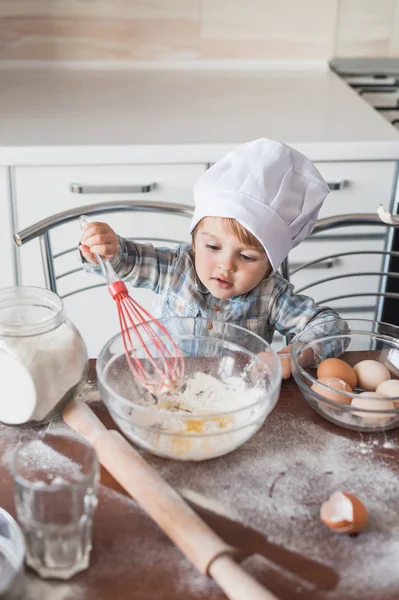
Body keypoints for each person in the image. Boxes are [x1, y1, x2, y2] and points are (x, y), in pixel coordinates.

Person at [79, 138, 346, 378]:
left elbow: (331, 328)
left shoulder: (271, 296)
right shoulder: (175, 269)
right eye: (212, 247)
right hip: (168, 383)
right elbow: (128, 262)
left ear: (270, 264)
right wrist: (107, 250)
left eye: (246, 256)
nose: (226, 265)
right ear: (194, 241)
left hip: (235, 395)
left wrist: (290, 356)